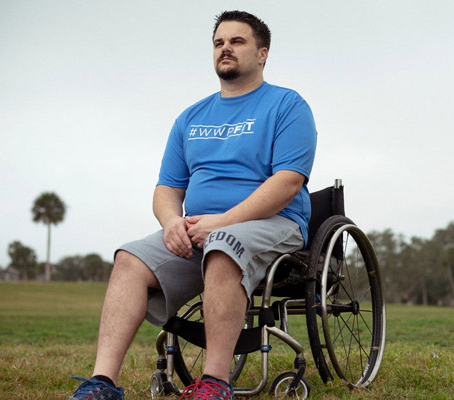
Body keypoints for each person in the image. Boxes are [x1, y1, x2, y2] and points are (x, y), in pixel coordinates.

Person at [67, 10, 317, 400]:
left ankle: (214, 384)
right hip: (197, 230)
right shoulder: (191, 117)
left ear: (262, 53)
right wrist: (171, 222)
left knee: (223, 246)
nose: (226, 49)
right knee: (128, 259)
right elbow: (167, 187)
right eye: (219, 43)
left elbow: (287, 182)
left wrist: (223, 222)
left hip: (273, 223)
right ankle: (101, 384)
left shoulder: (287, 105)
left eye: (237, 41)